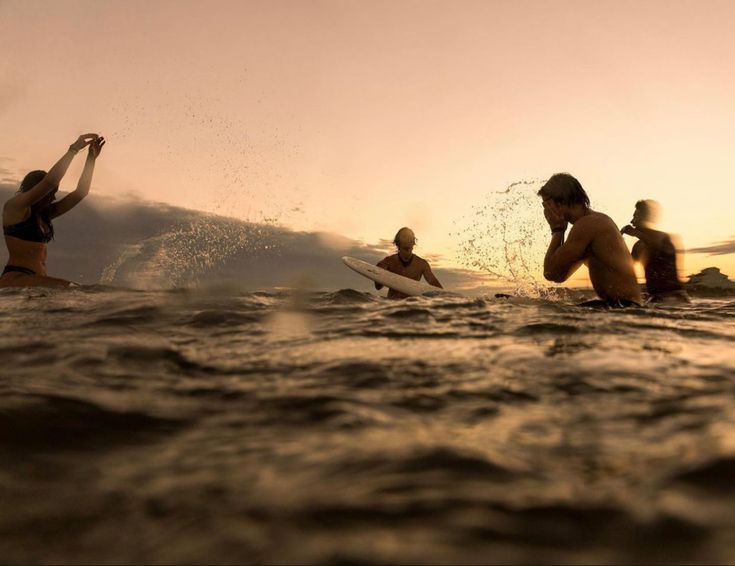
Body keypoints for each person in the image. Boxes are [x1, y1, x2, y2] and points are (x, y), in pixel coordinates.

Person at [1, 133, 105, 288]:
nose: (54, 197)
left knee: (75, 293)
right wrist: (73, 150)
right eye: (51, 193)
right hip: (16, 279)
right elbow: (50, 181)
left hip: (37, 279)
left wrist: (91, 158)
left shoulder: (44, 214)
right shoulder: (15, 208)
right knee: (75, 290)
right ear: (38, 190)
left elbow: (81, 192)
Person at [538, 173, 642, 307]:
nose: (545, 211)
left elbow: (550, 272)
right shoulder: (595, 220)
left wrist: (557, 230)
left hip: (623, 307)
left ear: (561, 202)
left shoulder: (587, 225)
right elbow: (559, 276)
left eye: (546, 204)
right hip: (626, 306)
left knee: (547, 310)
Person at [620, 200, 690, 303]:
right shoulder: (638, 245)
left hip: (674, 297)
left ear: (647, 218)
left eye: (636, 217)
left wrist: (636, 234)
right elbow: (625, 267)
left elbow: (657, 247)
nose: (632, 221)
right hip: (654, 298)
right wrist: (618, 241)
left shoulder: (664, 239)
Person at [375, 227, 443, 299]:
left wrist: (447, 298)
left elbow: (435, 285)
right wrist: (380, 273)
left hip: (412, 306)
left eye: (409, 238)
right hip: (393, 305)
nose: (407, 240)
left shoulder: (421, 264)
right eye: (404, 237)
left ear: (413, 243)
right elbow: (378, 287)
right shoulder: (389, 261)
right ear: (398, 244)